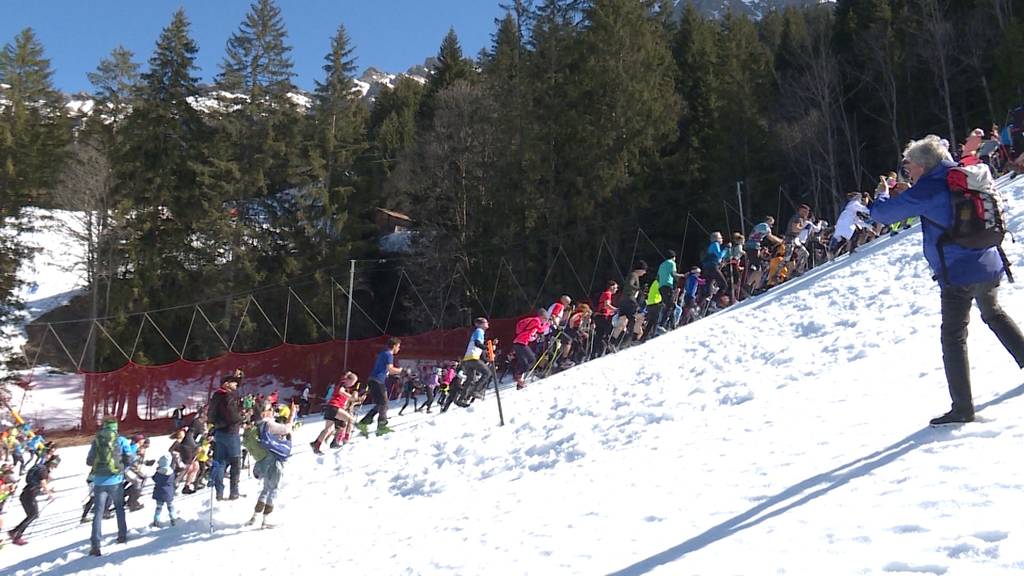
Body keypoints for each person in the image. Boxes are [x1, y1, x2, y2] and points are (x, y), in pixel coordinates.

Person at [870, 135, 1024, 425]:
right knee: (994, 313)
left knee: (953, 336)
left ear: (924, 164)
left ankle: (963, 408)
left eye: (909, 165)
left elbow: (884, 214)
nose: (908, 171)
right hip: (988, 259)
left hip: (958, 270)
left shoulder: (929, 186)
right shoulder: (964, 174)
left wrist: (883, 192)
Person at [85, 416, 130, 556]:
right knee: (119, 508)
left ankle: (95, 545)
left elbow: (89, 461)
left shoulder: (96, 441)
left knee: (98, 513)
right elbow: (129, 457)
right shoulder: (121, 440)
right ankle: (122, 535)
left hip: (99, 481)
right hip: (116, 480)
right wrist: (123, 469)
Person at [248, 401, 294, 529]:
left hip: (264, 460)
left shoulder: (258, 425)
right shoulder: (268, 423)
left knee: (265, 489)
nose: (273, 411)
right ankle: (266, 519)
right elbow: (287, 429)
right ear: (264, 413)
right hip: (274, 460)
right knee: (273, 489)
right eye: (270, 409)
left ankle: (255, 516)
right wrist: (292, 415)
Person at [7, 454, 58, 546]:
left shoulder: (42, 468)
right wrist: (49, 494)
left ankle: (14, 532)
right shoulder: (44, 470)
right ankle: (17, 536)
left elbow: (41, 483)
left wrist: (48, 489)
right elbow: (43, 483)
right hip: (29, 495)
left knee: (32, 515)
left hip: (27, 494)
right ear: (53, 464)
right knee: (33, 515)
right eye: (55, 465)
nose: (55, 467)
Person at [357, 337, 403, 437]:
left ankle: (364, 423)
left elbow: (385, 370)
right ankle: (381, 427)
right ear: (394, 346)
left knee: (380, 404)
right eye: (398, 346)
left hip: (374, 380)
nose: (399, 349)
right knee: (384, 404)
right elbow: (390, 369)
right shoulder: (389, 354)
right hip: (377, 381)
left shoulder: (383, 353)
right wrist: (400, 370)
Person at [209, 375, 243, 500]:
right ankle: (234, 491)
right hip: (231, 432)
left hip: (219, 432)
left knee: (220, 462)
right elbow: (233, 417)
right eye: (234, 383)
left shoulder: (216, 395)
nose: (236, 386)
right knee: (235, 462)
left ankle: (219, 491)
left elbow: (211, 415)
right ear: (227, 384)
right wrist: (242, 417)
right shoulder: (227, 397)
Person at [311, 373, 358, 454]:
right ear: (348, 380)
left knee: (328, 429)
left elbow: (347, 398)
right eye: (352, 382)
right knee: (350, 419)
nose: (352, 384)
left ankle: (316, 444)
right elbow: (341, 392)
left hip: (330, 408)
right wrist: (351, 397)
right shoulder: (342, 384)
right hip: (334, 407)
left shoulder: (346, 387)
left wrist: (355, 398)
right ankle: (346, 439)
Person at [512, 308, 550, 389]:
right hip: (520, 343)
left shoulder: (536, 322)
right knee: (530, 360)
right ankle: (517, 378)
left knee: (527, 361)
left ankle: (519, 381)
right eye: (545, 319)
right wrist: (547, 325)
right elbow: (541, 329)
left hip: (521, 343)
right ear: (542, 316)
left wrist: (533, 336)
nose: (546, 321)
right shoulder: (536, 320)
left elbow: (531, 332)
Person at [461, 317, 492, 397]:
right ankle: (476, 390)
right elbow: (477, 344)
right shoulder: (479, 331)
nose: (487, 323)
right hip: (473, 357)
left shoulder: (478, 332)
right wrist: (487, 348)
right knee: (487, 373)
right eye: (485, 322)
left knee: (470, 379)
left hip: (467, 359)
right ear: (480, 324)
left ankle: (462, 397)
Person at [593, 281, 619, 358]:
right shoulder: (608, 294)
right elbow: (606, 305)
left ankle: (596, 352)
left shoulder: (605, 294)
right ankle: (607, 349)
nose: (616, 289)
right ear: (611, 287)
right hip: (603, 317)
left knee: (599, 335)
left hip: (599, 316)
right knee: (607, 333)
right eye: (615, 287)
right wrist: (616, 309)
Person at [656, 252, 683, 325]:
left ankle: (673, 325)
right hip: (668, 286)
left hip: (661, 287)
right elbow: (673, 274)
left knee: (670, 305)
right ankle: (661, 324)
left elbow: (658, 278)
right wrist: (682, 276)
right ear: (673, 257)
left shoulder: (661, 265)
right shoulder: (672, 263)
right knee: (671, 305)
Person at [701, 232, 730, 299]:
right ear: (716, 238)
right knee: (724, 285)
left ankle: (706, 303)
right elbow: (719, 255)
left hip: (707, 267)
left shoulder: (711, 245)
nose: (722, 239)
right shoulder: (715, 244)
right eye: (720, 237)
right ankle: (715, 300)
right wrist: (726, 249)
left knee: (709, 286)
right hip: (713, 267)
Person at [150, 455, 176, 528]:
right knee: (170, 506)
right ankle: (173, 519)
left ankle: (156, 521)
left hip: (159, 492)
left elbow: (155, 479)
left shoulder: (158, 472)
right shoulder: (171, 472)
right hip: (169, 493)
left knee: (158, 507)